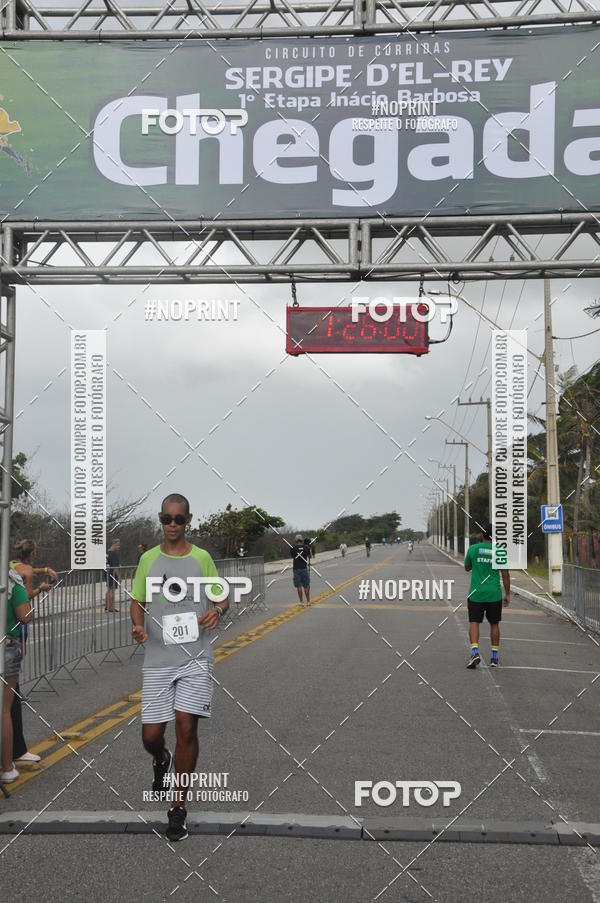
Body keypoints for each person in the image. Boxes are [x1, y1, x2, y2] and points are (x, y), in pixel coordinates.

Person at [130, 493, 227, 842]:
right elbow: (137, 601)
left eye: (179, 519)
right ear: (160, 519)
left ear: (189, 520)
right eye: (166, 519)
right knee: (151, 736)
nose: (172, 525)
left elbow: (221, 595)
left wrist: (217, 610)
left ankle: (178, 808)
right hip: (158, 658)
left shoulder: (201, 558)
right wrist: (138, 625)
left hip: (195, 657)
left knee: (187, 726)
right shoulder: (148, 559)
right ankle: (161, 758)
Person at [10, 539, 56, 766]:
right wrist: (41, 589)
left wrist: (45, 569)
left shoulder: (12, 566)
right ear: (33, 553)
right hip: (16, 627)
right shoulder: (25, 572)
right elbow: (25, 598)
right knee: (15, 666)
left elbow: (28, 569)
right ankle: (16, 751)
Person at [1, 568, 33, 782]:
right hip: (6, 643)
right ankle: (7, 768)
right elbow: (24, 616)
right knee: (4, 710)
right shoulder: (12, 580)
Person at [464, 523, 510, 669]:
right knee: (494, 623)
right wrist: (507, 594)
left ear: (482, 535)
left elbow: (467, 568)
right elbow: (505, 575)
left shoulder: (473, 549)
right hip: (494, 594)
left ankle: (475, 653)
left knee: (474, 622)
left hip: (476, 593)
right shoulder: (500, 551)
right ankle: (494, 657)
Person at [291, 534, 311, 606]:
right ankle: (308, 601)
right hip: (304, 569)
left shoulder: (293, 549)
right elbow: (310, 556)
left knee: (299, 586)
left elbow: (293, 556)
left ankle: (301, 602)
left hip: (296, 569)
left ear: (296, 540)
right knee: (306, 586)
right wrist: (308, 548)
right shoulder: (306, 548)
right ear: (302, 540)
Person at [105, 538, 121, 612]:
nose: (118, 547)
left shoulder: (107, 553)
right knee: (112, 590)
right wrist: (119, 576)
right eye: (117, 545)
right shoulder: (114, 554)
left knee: (108, 590)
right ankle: (110, 607)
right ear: (114, 544)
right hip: (112, 574)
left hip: (107, 573)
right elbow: (115, 567)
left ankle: (107, 606)